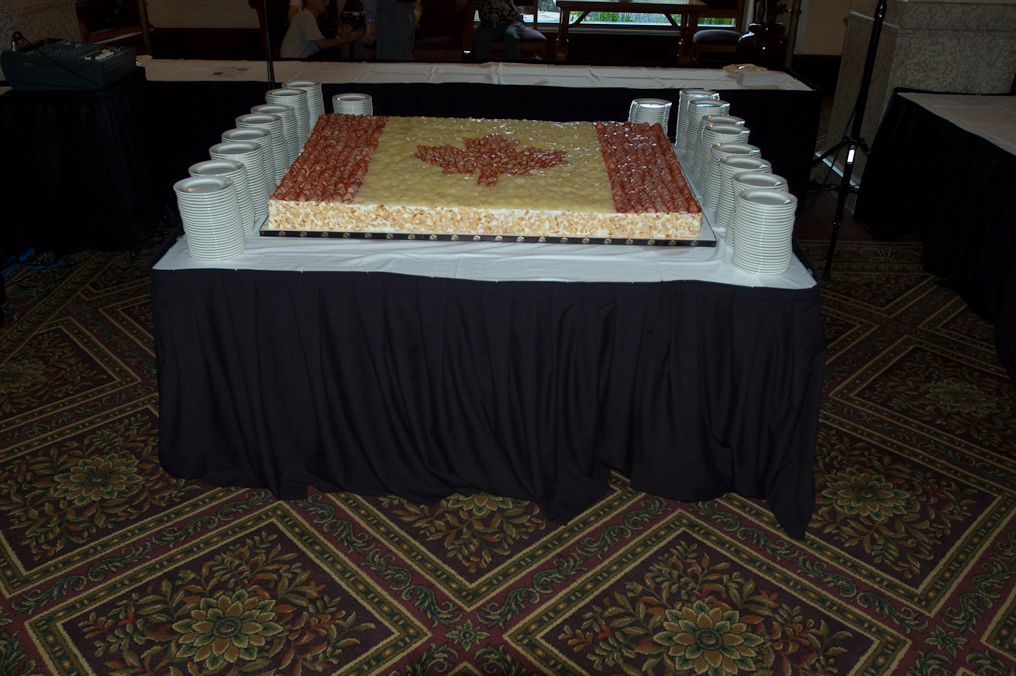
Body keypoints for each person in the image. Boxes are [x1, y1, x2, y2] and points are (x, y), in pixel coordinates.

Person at [281, 0, 358, 59]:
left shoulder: (309, 18)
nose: (326, 3)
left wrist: (344, 36)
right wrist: (345, 39)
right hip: (294, 63)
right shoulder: (305, 15)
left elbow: (328, 46)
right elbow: (321, 44)